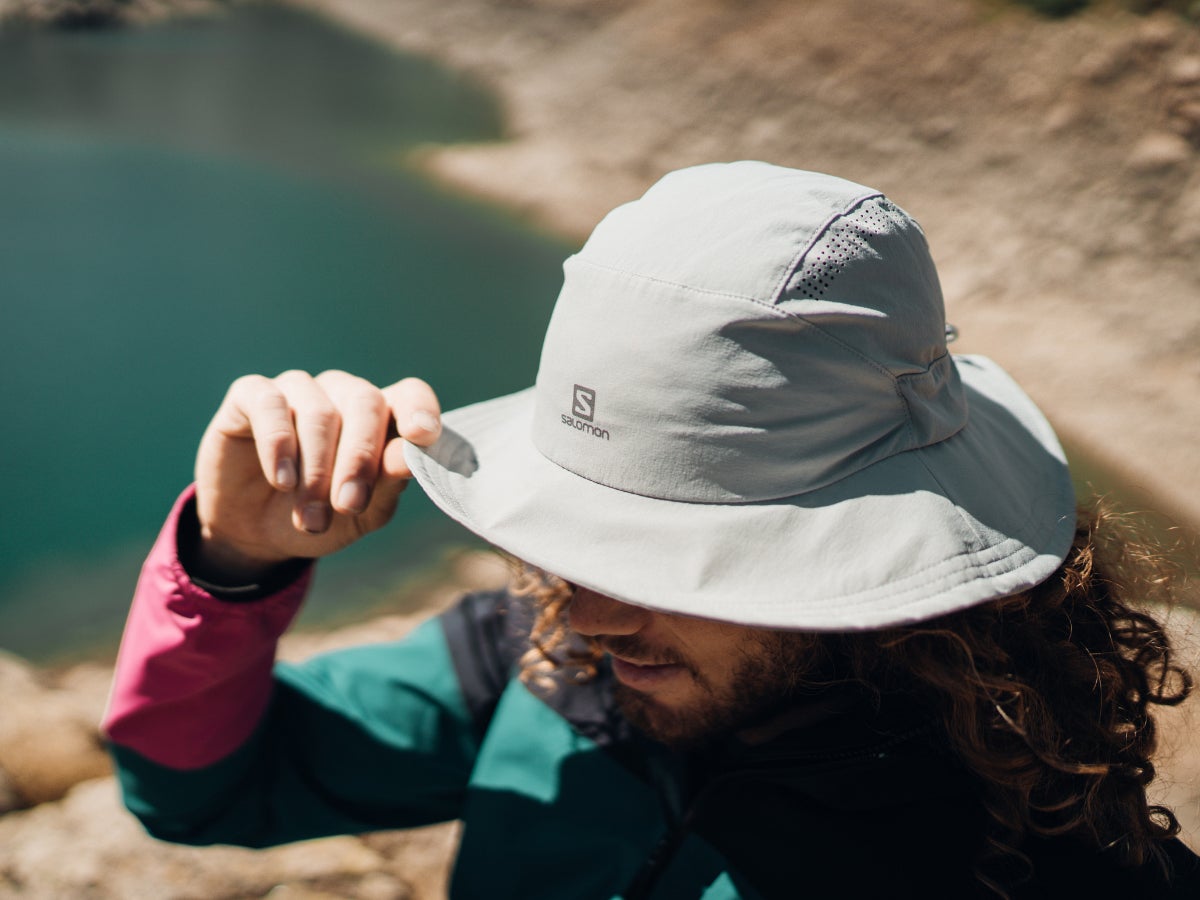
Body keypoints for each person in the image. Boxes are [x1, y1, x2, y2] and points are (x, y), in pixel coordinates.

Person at [104, 162, 1199, 899]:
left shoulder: (1039, 863)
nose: (587, 607)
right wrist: (232, 563)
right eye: (587, 540)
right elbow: (197, 792)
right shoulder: (540, 665)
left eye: (675, 555)